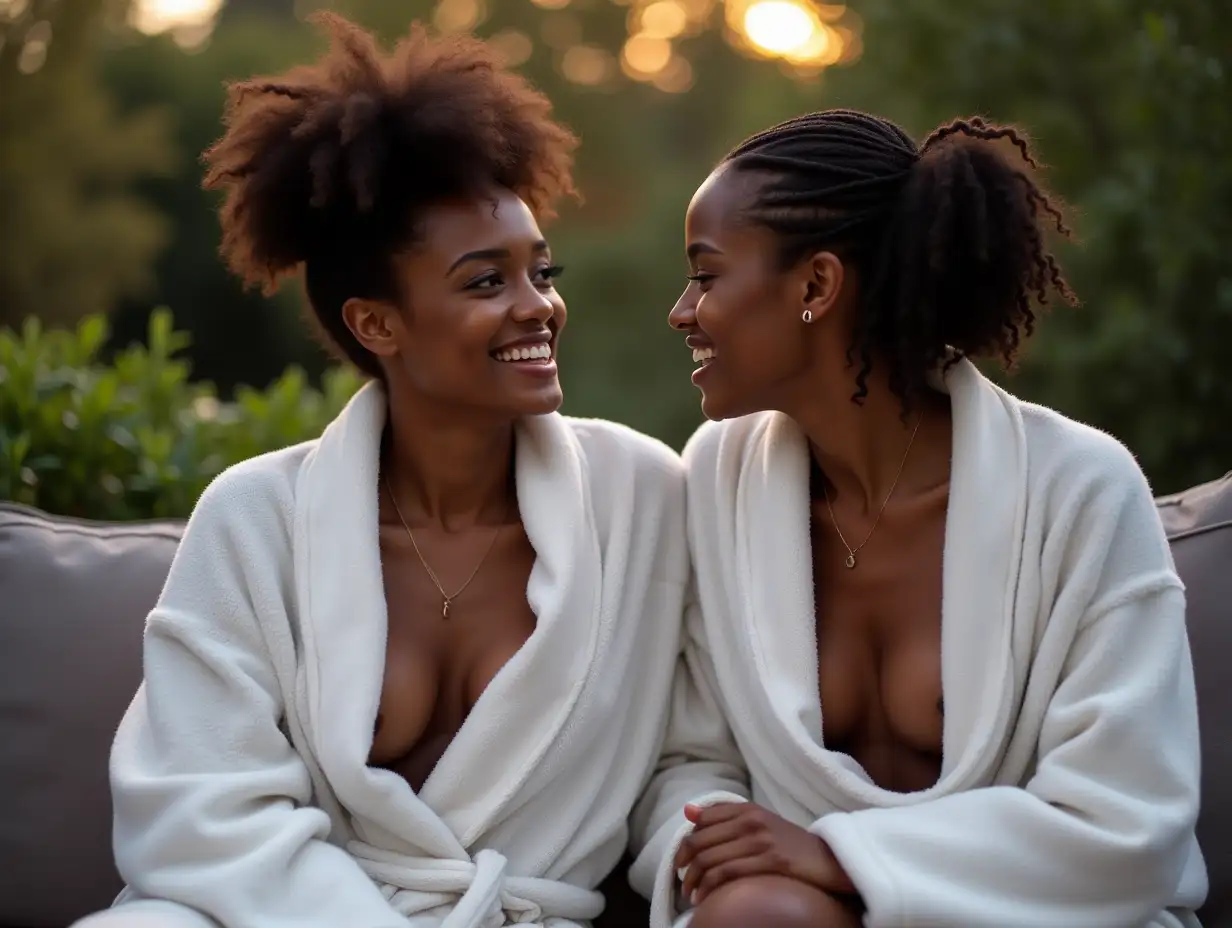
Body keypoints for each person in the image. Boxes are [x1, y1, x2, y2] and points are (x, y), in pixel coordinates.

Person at [71, 13, 722, 928]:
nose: (538, 308)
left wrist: (706, 847)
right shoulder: (259, 517)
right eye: (484, 282)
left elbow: (683, 752)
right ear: (377, 324)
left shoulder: (641, 496)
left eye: (542, 270)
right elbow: (200, 806)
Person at [639, 109, 1209, 927]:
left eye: (707, 274)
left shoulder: (1078, 489)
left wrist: (840, 856)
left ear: (815, 286)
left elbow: (1127, 819)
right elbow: (688, 760)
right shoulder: (716, 479)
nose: (683, 311)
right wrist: (719, 849)